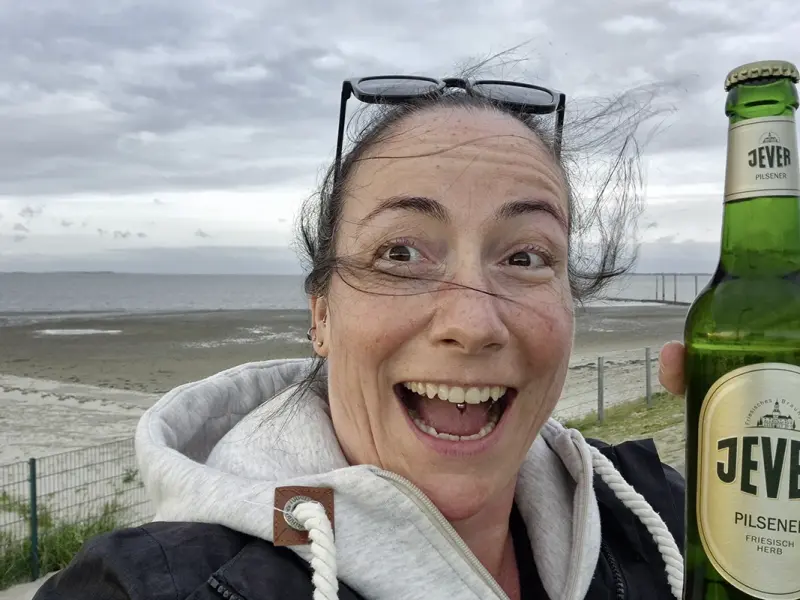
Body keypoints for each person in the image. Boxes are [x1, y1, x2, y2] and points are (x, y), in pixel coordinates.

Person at [34, 73, 690, 600]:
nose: (471, 323)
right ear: (321, 316)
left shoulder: (653, 512)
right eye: (400, 254)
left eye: (524, 258)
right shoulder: (164, 582)